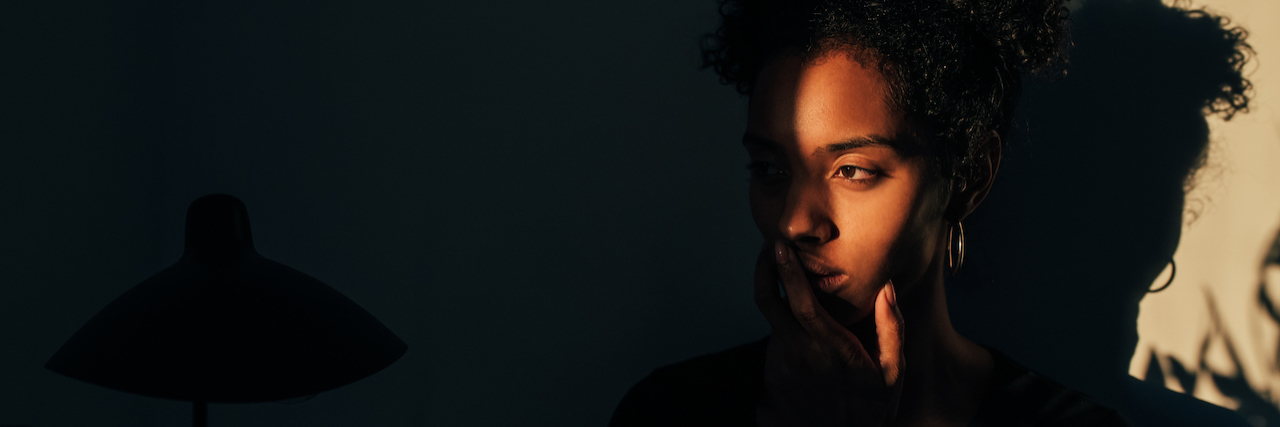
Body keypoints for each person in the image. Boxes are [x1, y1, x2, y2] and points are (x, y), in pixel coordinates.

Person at [611, 0, 1132, 425]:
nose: (795, 223)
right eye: (771, 169)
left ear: (969, 176)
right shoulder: (668, 412)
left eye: (854, 170)